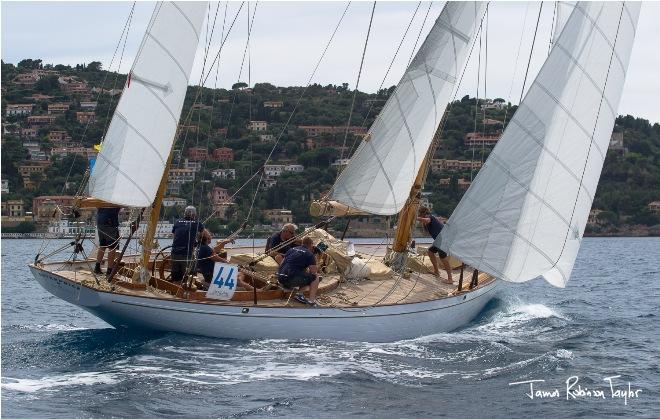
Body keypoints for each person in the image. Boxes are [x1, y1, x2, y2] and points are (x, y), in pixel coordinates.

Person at [277, 236, 320, 306]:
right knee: (315, 278)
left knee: (306, 275)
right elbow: (314, 272)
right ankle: (311, 301)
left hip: (281, 278)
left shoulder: (291, 249)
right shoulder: (309, 254)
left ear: (302, 243)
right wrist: (314, 260)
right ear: (311, 245)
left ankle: (300, 294)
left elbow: (282, 264)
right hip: (290, 279)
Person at [417, 206, 453, 285]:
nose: (419, 215)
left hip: (444, 239)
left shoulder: (429, 217)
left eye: (419, 213)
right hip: (438, 240)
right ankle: (436, 271)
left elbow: (427, 220)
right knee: (430, 251)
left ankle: (450, 279)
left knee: (443, 258)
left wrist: (416, 218)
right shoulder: (430, 220)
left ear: (423, 213)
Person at [171, 206, 204, 283]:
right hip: (187, 254)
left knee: (176, 276)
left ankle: (175, 288)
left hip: (174, 253)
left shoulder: (177, 222)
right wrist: (196, 243)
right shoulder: (197, 223)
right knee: (190, 277)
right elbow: (204, 235)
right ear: (194, 214)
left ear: (184, 213)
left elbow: (174, 235)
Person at [94, 206, 120, 275]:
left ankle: (97, 267)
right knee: (112, 247)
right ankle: (110, 270)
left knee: (103, 245)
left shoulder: (102, 199)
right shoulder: (115, 197)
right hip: (110, 223)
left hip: (100, 222)